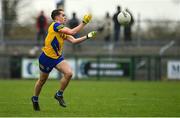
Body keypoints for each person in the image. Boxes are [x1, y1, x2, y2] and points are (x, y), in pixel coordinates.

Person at [31, 9, 97, 111]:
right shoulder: (55, 26)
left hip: (57, 58)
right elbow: (72, 31)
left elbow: (74, 41)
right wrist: (84, 23)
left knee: (69, 73)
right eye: (63, 15)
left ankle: (59, 94)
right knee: (42, 81)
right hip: (46, 58)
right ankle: (35, 99)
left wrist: (87, 36)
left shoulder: (61, 30)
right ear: (57, 17)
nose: (65, 17)